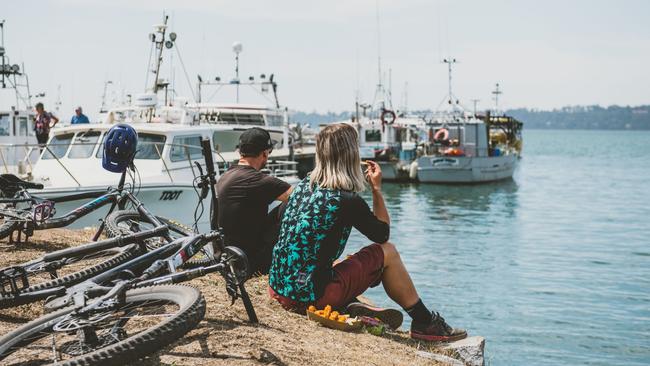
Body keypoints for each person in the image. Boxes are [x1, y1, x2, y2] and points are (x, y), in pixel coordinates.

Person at [269, 123, 467, 342]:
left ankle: (350, 303)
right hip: (310, 298)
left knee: (341, 259)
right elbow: (382, 235)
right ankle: (424, 322)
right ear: (350, 155)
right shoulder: (345, 200)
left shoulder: (303, 187)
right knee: (388, 252)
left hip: (279, 291)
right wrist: (377, 190)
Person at [216, 127, 293, 276]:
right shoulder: (258, 180)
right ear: (264, 153)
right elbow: (303, 197)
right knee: (289, 206)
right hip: (248, 263)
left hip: (225, 259)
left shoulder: (226, 176)